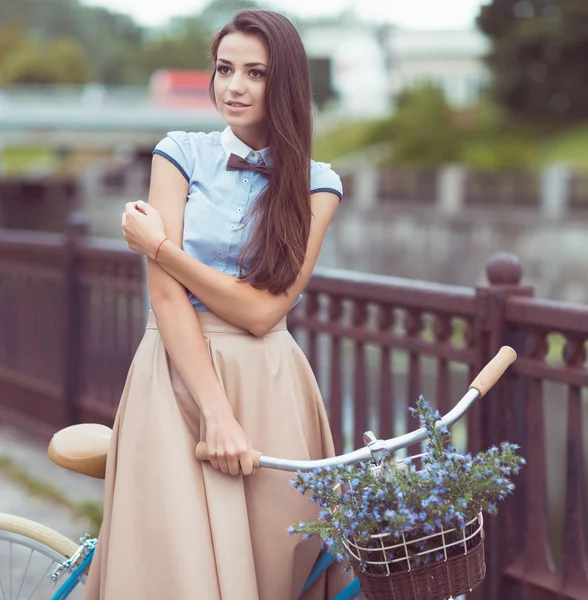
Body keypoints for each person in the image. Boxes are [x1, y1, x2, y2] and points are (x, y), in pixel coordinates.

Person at [83, 9, 350, 600]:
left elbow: (263, 313)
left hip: (270, 383)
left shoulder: (317, 184)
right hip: (175, 375)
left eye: (255, 73)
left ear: (285, 84)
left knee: (276, 569)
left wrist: (160, 249)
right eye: (225, 68)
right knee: (172, 571)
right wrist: (216, 412)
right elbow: (165, 298)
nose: (234, 86)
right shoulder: (178, 152)